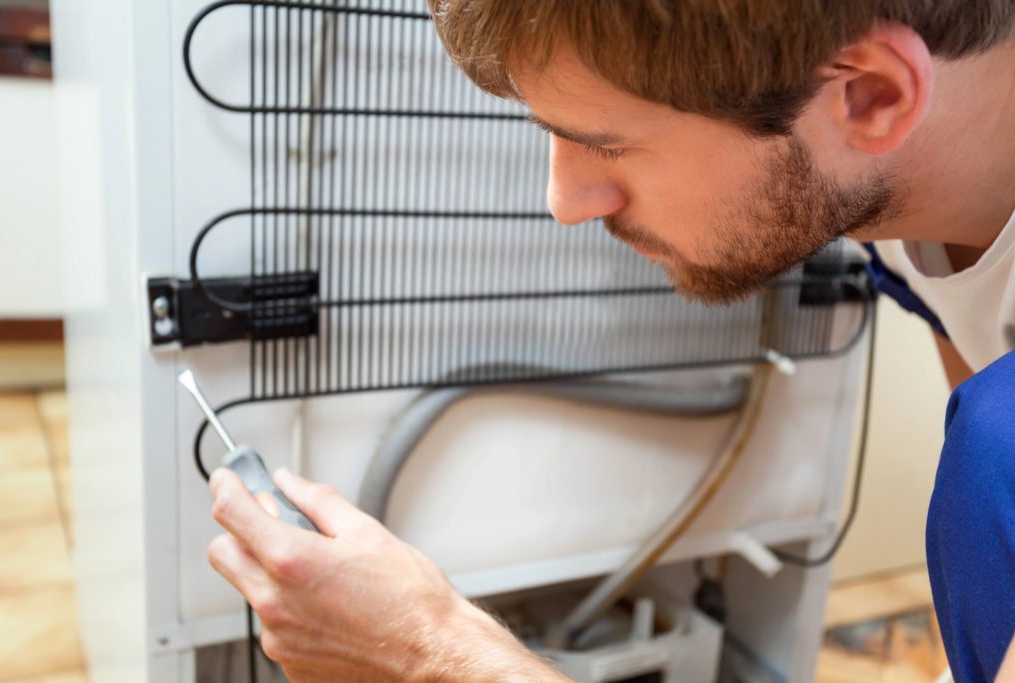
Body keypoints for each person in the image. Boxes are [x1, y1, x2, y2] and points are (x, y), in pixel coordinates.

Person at [206, 1, 1015, 680]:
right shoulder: (896, 201)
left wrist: (431, 650)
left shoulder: (1000, 445)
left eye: (608, 141)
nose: (564, 199)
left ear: (872, 95)